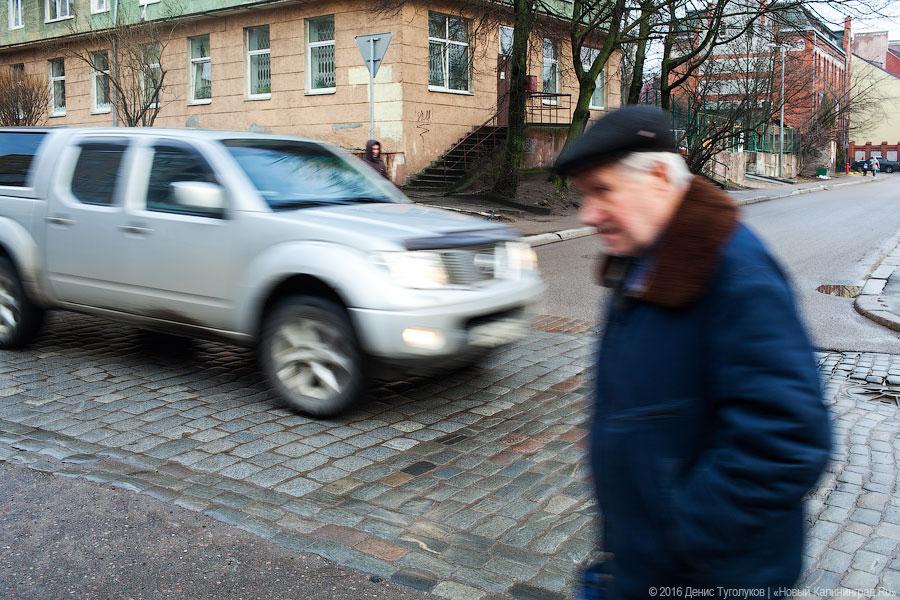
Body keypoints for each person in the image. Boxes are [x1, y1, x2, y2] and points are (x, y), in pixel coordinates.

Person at [554, 105, 832, 600]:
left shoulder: (737, 275)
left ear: (660, 177)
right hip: (641, 562)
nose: (588, 214)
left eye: (603, 191)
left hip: (706, 578)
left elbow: (788, 439)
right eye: (583, 195)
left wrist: (680, 534)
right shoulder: (641, 262)